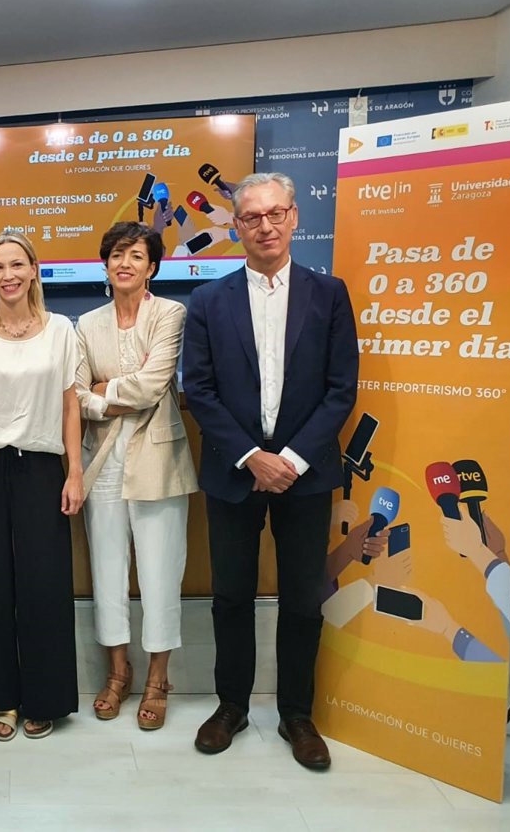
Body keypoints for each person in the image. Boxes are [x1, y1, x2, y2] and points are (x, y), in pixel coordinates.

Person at [182, 172, 358, 771]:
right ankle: (231, 706)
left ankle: (296, 715)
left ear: (294, 217)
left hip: (306, 475)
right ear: (236, 226)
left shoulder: (329, 294)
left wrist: (293, 459)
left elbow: (341, 389)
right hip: (234, 474)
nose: (265, 226)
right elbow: (199, 390)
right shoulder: (208, 301)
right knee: (230, 595)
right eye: (252, 217)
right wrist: (251, 457)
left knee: (303, 599)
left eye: (275, 213)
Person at [0, 231, 83, 742]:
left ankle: (44, 699)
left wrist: (74, 470)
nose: (8, 275)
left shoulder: (60, 330)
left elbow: (70, 406)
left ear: (33, 270)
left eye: (17, 264)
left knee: (44, 584)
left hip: (42, 467)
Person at [75, 222, 198, 730]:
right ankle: (118, 673)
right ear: (105, 264)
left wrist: (103, 390)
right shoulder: (86, 324)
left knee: (160, 571)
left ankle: (157, 680)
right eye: (117, 254)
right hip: (101, 458)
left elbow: (152, 386)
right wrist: (101, 395)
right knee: (107, 569)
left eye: (136, 255)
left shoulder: (170, 313)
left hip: (158, 457)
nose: (125, 263)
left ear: (152, 267)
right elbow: (76, 395)